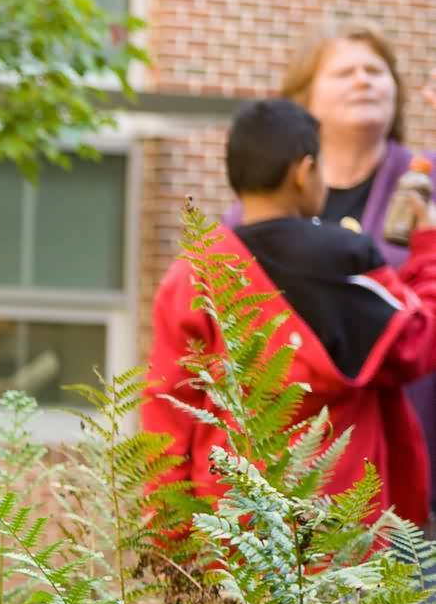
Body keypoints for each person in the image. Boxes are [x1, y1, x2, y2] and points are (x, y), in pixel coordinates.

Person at [148, 98, 436, 531]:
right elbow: (418, 340)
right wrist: (428, 248)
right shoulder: (346, 256)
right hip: (342, 529)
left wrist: (169, 532)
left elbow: (168, 410)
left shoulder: (194, 272)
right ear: (304, 172)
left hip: (231, 529)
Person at [270, 24, 436, 492]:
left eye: (376, 71)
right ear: (303, 99)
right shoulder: (264, 202)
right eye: (345, 72)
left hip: (416, 461)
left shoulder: (430, 179)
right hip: (299, 474)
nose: (363, 80)